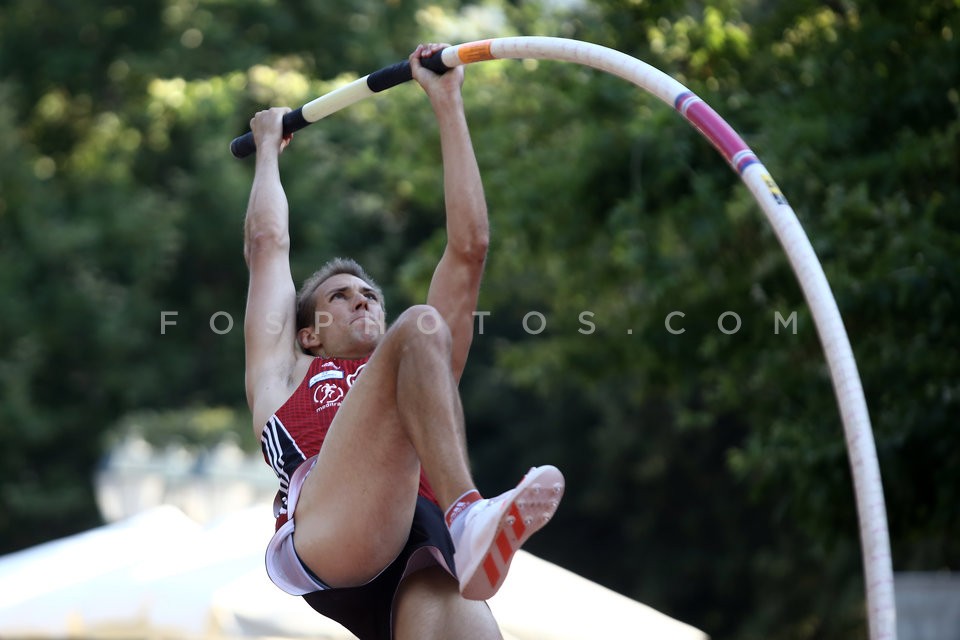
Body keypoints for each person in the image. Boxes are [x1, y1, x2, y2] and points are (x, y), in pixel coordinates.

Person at [242, 43, 565, 640]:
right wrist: (267, 149)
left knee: (426, 333)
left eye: (367, 292)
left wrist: (448, 102)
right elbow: (268, 248)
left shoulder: (425, 368)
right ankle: (470, 514)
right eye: (340, 296)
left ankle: (462, 524)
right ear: (309, 334)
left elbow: (469, 251)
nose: (362, 297)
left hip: (420, 549)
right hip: (333, 534)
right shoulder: (283, 375)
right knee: (419, 327)